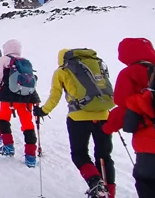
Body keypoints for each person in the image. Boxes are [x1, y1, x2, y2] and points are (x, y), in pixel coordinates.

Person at [103, 38, 155, 198]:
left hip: (153, 139)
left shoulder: (130, 73)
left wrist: (107, 127)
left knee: (146, 179)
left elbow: (124, 106)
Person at [34, 49, 115, 198]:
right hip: (104, 115)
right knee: (104, 155)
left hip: (78, 118)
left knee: (79, 154)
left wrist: (43, 111)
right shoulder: (94, 65)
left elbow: (55, 96)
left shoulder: (62, 71)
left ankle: (96, 183)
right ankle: (108, 193)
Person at [0, 39, 41, 168]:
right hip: (26, 98)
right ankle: (30, 156)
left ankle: (8, 146)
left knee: (4, 120)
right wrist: (35, 98)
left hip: (8, 97)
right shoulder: (25, 62)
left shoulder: (4, 59)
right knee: (27, 125)